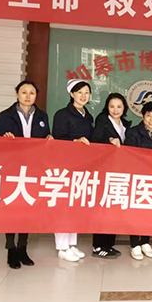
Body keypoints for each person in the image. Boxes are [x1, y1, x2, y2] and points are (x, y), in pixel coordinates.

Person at [0, 80, 52, 269]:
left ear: (36, 96)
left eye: (32, 93)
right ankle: (10, 248)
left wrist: (49, 139)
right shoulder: (5, 116)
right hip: (12, 169)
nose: (28, 96)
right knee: (12, 208)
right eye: (24, 92)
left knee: (28, 207)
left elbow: (45, 138)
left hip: (33, 169)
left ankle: (22, 247)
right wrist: (4, 139)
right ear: (17, 94)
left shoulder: (42, 116)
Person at [51, 79, 93, 262]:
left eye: (86, 93)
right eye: (79, 92)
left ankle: (71, 243)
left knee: (75, 205)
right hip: (65, 165)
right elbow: (58, 138)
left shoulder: (88, 116)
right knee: (63, 206)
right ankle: (62, 246)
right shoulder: (62, 114)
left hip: (82, 166)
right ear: (72, 94)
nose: (83, 96)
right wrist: (74, 142)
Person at [125, 101, 152, 260]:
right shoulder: (133, 132)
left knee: (149, 210)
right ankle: (135, 244)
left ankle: (145, 241)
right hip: (138, 177)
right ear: (143, 116)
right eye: (149, 115)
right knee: (136, 211)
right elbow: (130, 154)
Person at [90, 93, 130, 259]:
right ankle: (98, 245)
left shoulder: (125, 124)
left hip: (119, 171)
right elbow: (95, 140)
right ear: (107, 107)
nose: (115, 110)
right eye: (112, 106)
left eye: (119, 106)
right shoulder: (102, 121)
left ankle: (109, 244)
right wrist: (109, 140)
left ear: (124, 108)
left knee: (114, 208)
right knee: (103, 208)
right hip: (104, 171)